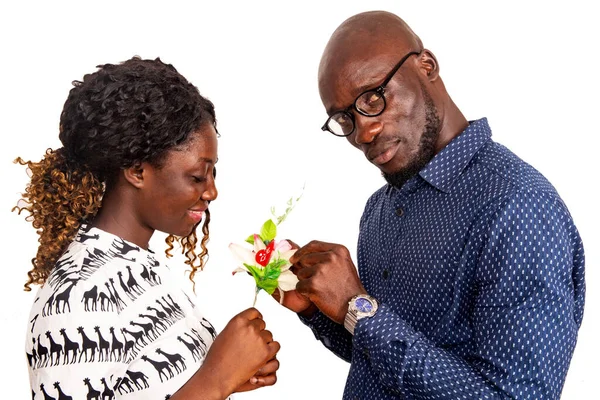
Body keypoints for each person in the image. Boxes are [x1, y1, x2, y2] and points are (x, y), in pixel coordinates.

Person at [276, 11, 586, 399]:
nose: (363, 132)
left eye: (373, 97)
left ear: (427, 66)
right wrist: (322, 311)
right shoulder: (379, 211)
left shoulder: (518, 207)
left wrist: (360, 307)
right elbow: (381, 363)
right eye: (344, 118)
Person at [16, 57, 280, 400]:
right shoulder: (78, 296)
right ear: (137, 171)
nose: (212, 191)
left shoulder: (141, 268)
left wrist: (231, 375)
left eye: (214, 174)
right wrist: (215, 378)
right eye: (198, 176)